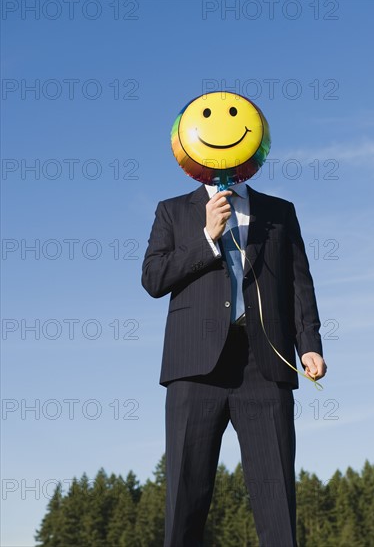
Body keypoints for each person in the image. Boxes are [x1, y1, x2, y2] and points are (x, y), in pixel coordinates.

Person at [141, 177, 327, 546]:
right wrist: (207, 235)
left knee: (276, 497)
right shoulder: (172, 210)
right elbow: (153, 279)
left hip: (265, 365)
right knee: (186, 495)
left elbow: (298, 283)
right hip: (194, 368)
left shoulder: (280, 211)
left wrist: (308, 342)